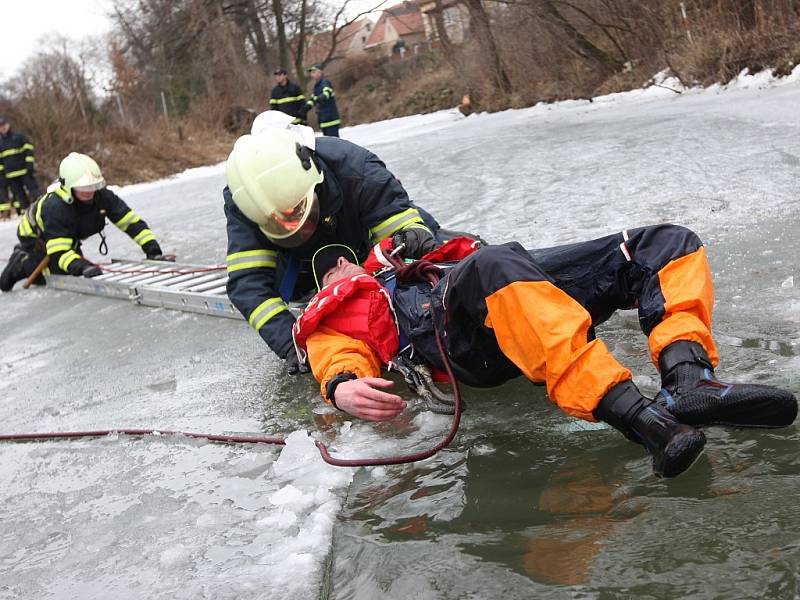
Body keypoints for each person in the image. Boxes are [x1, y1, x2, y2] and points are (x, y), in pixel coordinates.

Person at [292, 226, 798, 478]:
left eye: (343, 260)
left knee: (664, 244)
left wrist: (416, 245)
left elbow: (473, 252)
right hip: (451, 332)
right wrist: (342, 387)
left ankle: (688, 378)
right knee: (494, 266)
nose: (338, 266)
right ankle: (641, 418)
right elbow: (333, 354)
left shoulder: (398, 257)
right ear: (326, 281)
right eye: (330, 269)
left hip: (508, 281)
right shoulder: (332, 311)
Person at [224, 125, 442, 375]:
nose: (299, 226)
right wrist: (290, 342)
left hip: (362, 246)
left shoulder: (356, 168)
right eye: (281, 223)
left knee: (424, 232)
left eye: (299, 212)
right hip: (300, 268)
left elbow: (397, 223)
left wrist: (413, 237)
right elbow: (248, 284)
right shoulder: (246, 202)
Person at [0, 152, 170, 292]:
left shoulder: (103, 196)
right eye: (84, 188)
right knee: (54, 274)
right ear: (69, 186)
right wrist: (81, 266)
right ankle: (21, 263)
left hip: (69, 232)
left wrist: (152, 249)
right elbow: (59, 251)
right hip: (36, 237)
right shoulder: (56, 207)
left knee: (73, 267)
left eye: (93, 186)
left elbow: (130, 222)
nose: (90, 192)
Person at [0, 116, 40, 215]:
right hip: (11, 175)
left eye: (3, 125)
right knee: (19, 196)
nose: (2, 128)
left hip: (24, 171)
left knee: (34, 191)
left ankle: (42, 208)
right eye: (0, 127)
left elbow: (29, 149)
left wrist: (29, 164)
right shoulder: (0, 142)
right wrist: (2, 174)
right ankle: (26, 214)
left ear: (8, 125)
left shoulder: (19, 137)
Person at [305, 64, 341, 137]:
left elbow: (327, 93)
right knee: (328, 143)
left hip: (330, 119)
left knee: (333, 142)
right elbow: (313, 99)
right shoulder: (316, 86)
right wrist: (306, 107)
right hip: (323, 119)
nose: (312, 74)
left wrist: (318, 98)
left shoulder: (324, 82)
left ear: (319, 72)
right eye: (311, 73)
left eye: (313, 72)